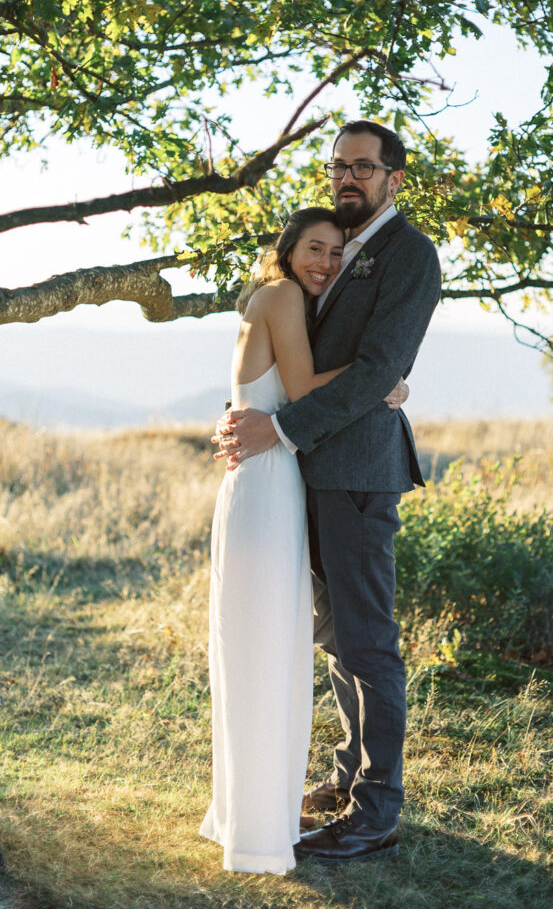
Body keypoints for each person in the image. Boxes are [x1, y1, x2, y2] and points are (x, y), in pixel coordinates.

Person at [218, 121, 442, 865]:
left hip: (357, 474)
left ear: (394, 178)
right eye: (339, 165)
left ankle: (377, 810)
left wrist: (278, 429)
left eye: (364, 167)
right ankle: (348, 776)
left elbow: (379, 365)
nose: (348, 177)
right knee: (337, 635)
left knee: (368, 639)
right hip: (313, 474)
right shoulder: (335, 252)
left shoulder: (409, 254)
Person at [200, 206, 407, 874]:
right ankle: (258, 827)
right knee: (267, 645)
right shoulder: (284, 295)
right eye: (314, 247)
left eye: (336, 253)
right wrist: (384, 385)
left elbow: (274, 394)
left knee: (268, 644)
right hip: (265, 487)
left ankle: (253, 810)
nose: (324, 262)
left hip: (267, 482)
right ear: (287, 249)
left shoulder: (277, 298)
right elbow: (298, 389)